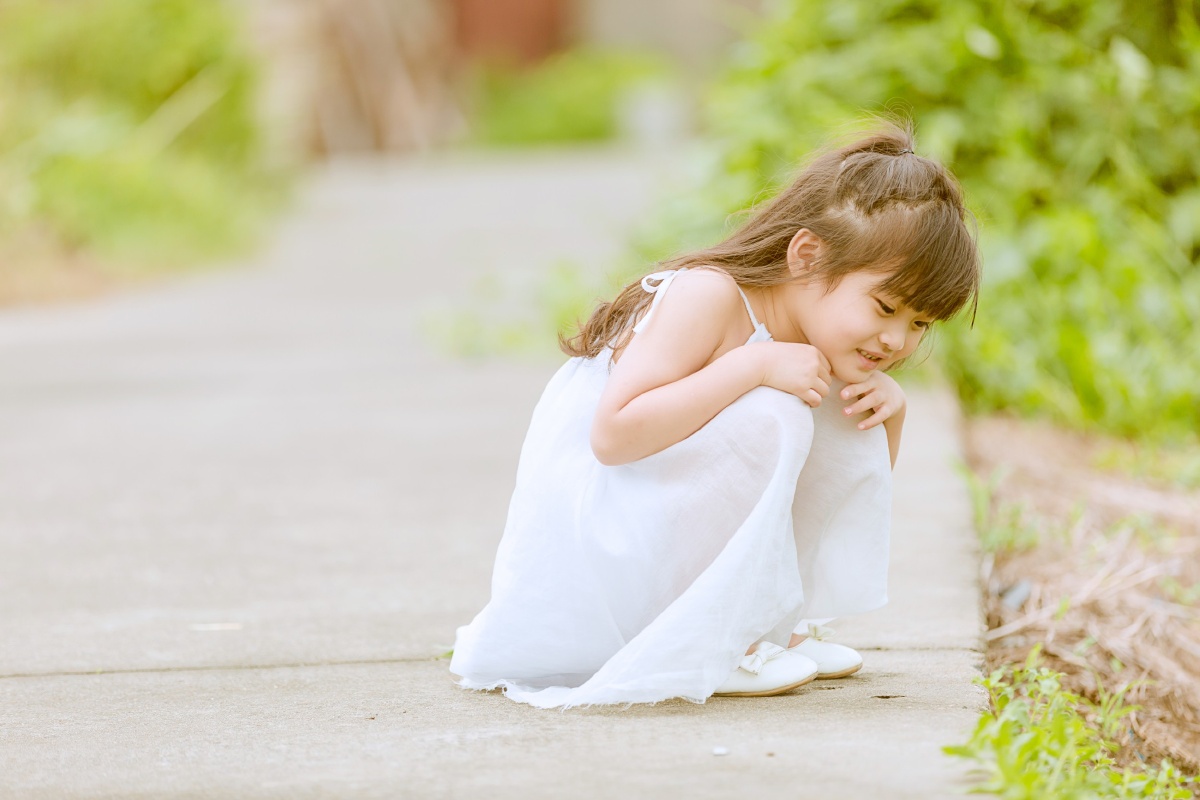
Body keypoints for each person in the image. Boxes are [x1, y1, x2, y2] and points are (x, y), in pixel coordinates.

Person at [449, 122, 980, 709]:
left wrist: (890, 414)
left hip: (665, 534)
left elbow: (848, 476)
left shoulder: (817, 342)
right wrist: (752, 368)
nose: (897, 339)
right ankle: (713, 642)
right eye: (885, 307)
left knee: (838, 405)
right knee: (777, 410)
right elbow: (613, 435)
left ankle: (779, 626)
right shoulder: (709, 297)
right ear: (807, 256)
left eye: (920, 323)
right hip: (606, 548)